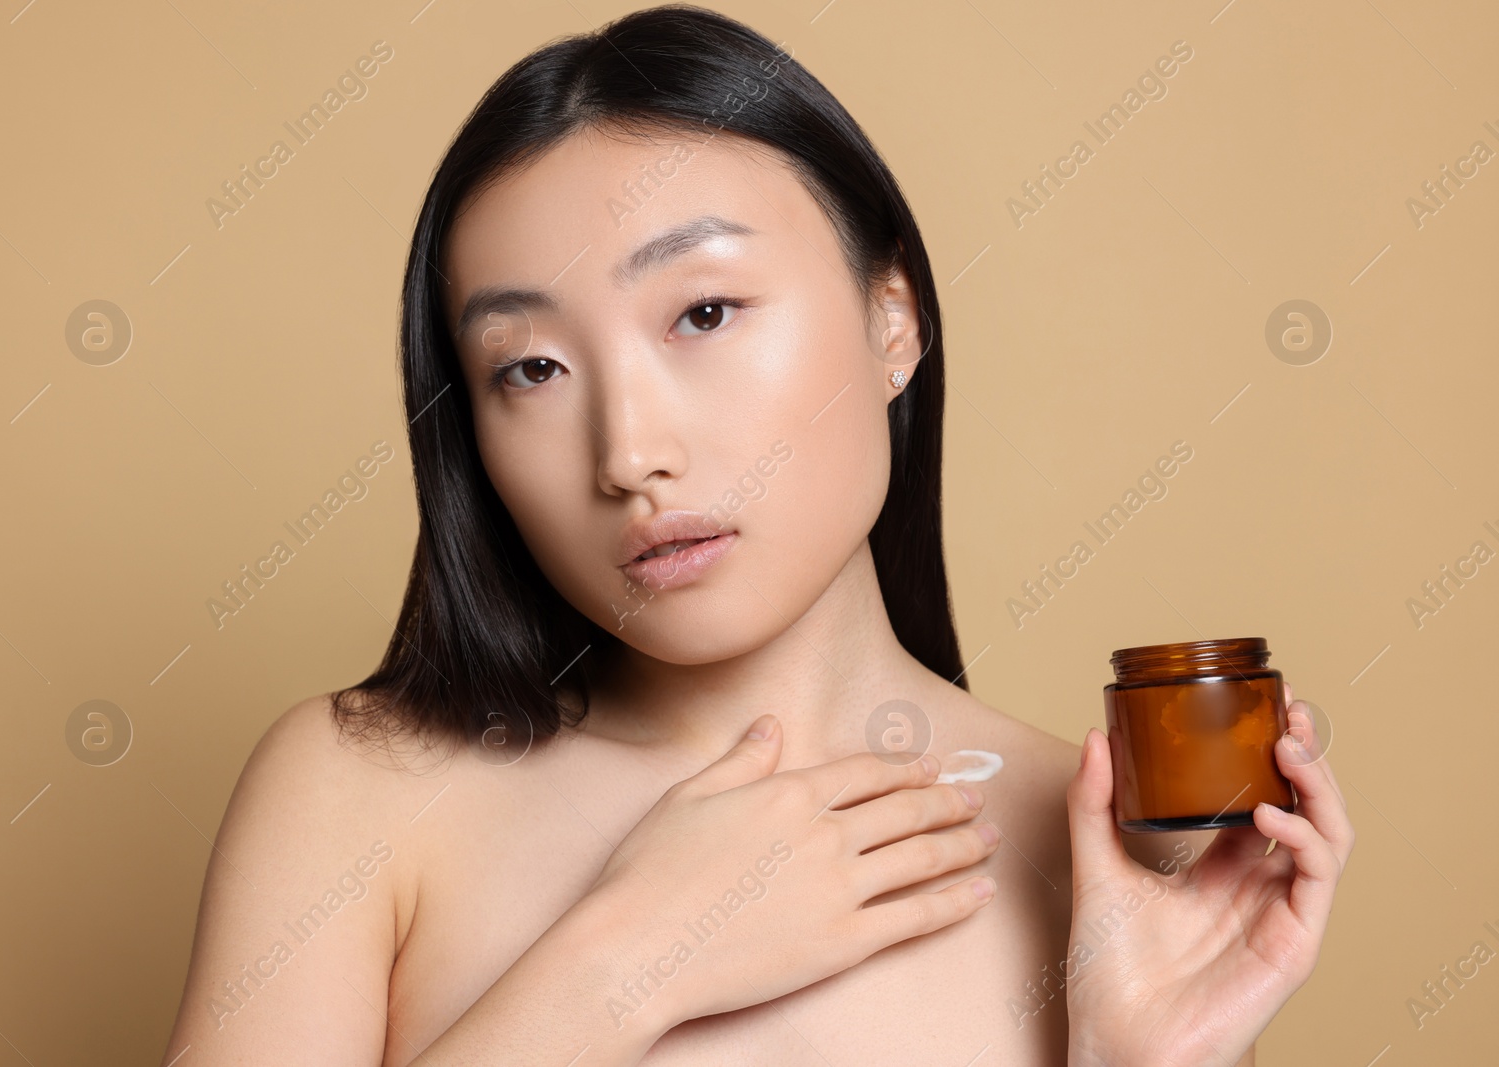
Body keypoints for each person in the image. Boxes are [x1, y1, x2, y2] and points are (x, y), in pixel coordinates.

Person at [160, 6, 1352, 1064]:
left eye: (704, 311)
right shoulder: (358, 795)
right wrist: (626, 962)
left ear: (894, 319)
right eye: (530, 366)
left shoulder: (1095, 846)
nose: (627, 453)